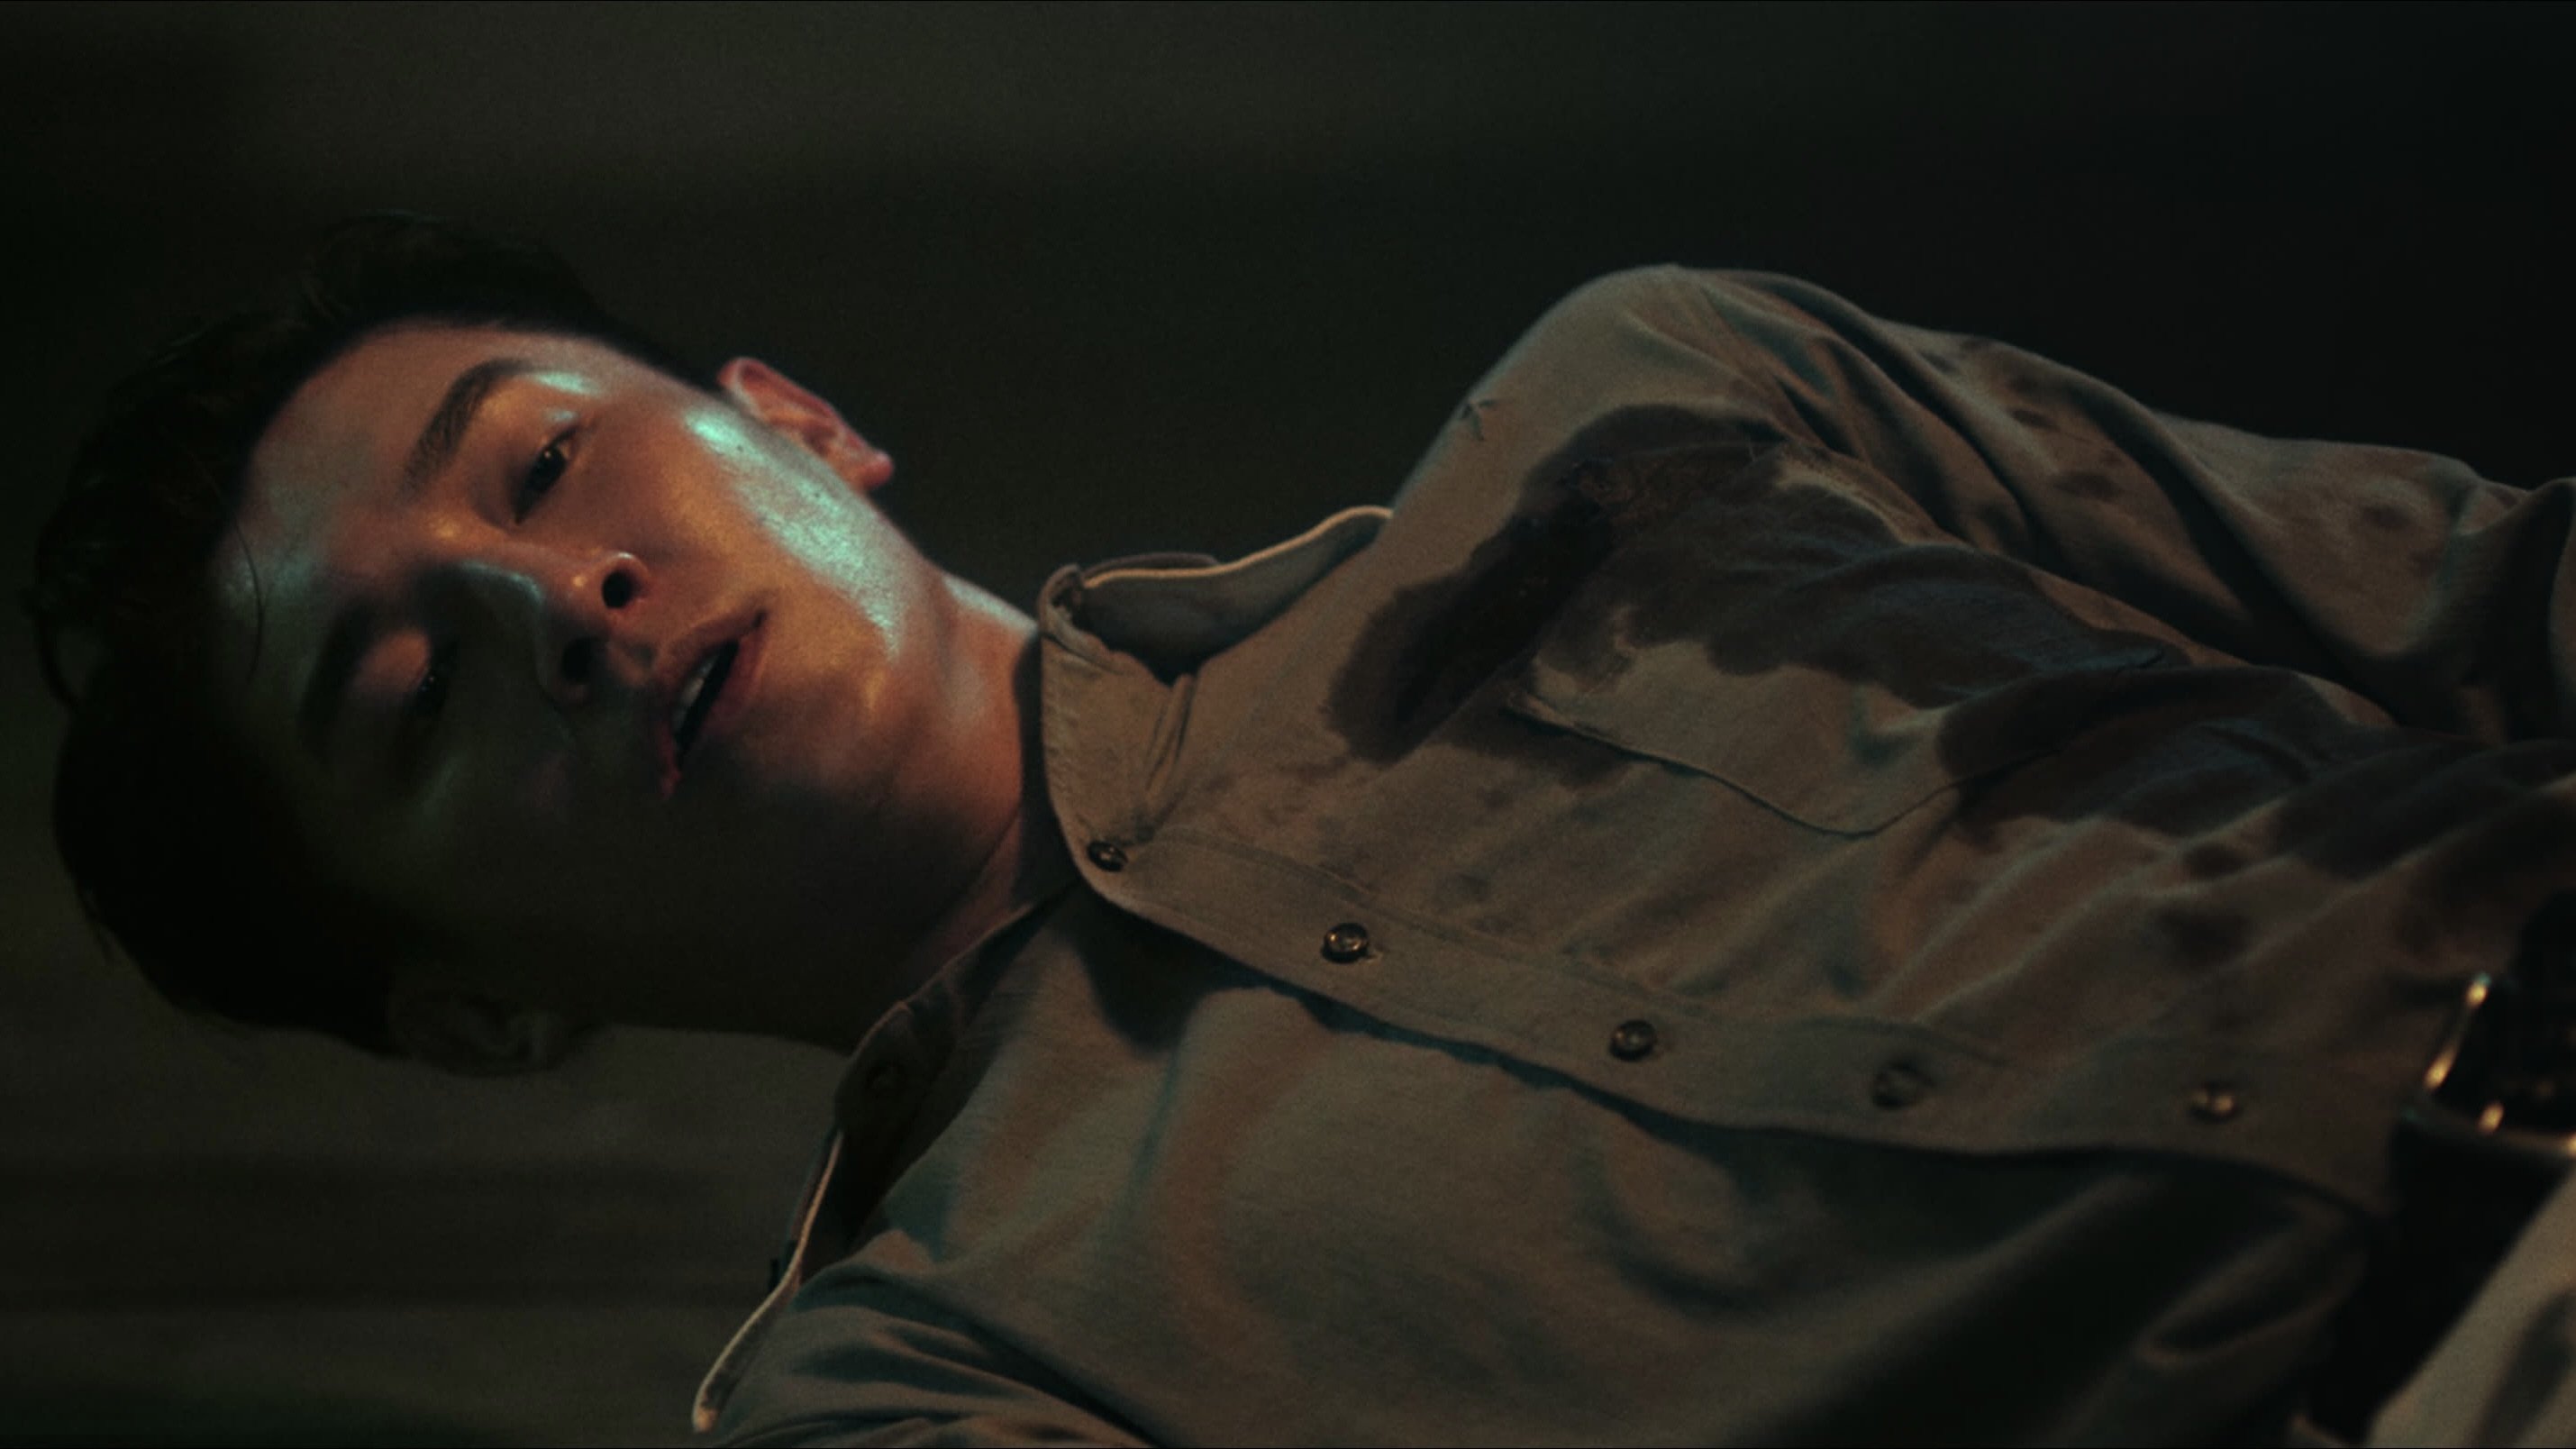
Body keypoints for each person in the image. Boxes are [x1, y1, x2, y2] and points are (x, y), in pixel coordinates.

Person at [28, 214, 2576, 1444]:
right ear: (475, 1016)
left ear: (793, 424)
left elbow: (2494, 597)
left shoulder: (1637, 411)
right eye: (405, 696)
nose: (551, 605)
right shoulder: (918, 1393)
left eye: (544, 465)